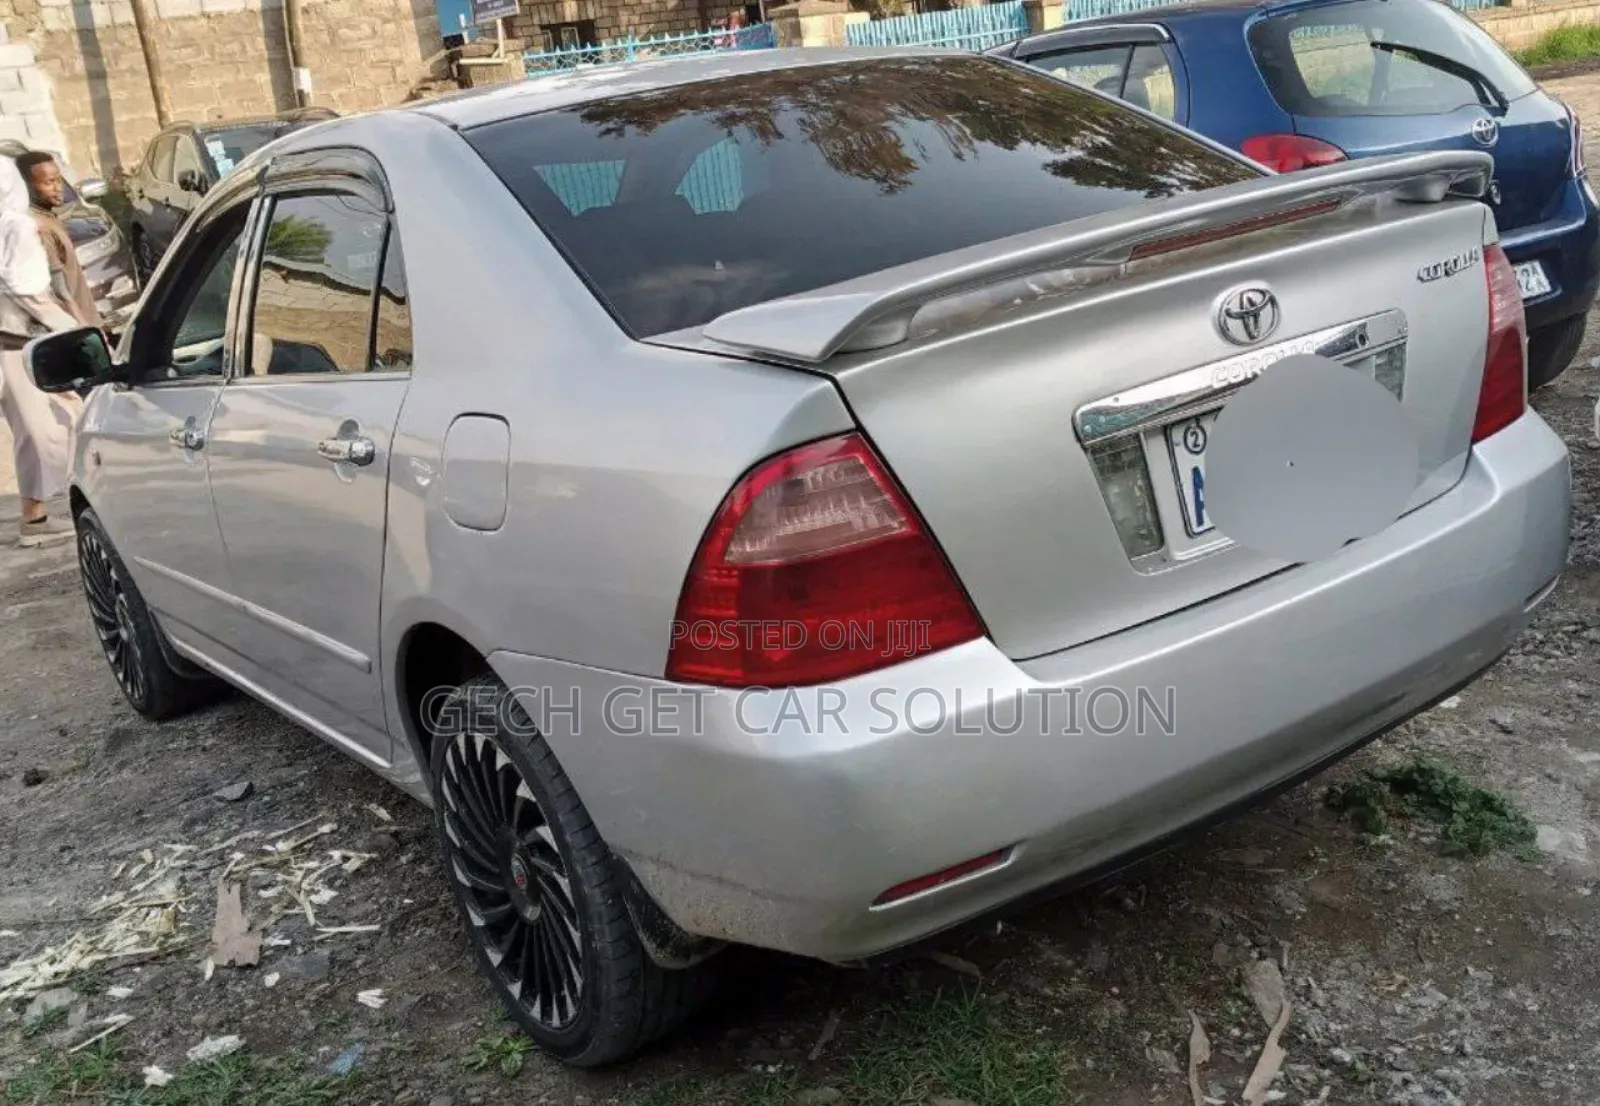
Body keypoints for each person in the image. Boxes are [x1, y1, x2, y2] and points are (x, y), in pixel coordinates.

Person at [0, 157, 84, 547]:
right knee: (46, 427)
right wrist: (71, 330)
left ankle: (38, 513)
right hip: (14, 342)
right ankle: (34, 517)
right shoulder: (16, 226)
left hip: (14, 339)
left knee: (55, 422)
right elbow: (29, 290)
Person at [15, 151, 102, 330]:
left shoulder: (48, 215)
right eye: (49, 182)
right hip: (77, 330)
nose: (58, 188)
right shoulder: (39, 228)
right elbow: (60, 293)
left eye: (59, 180)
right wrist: (86, 332)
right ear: (26, 188)